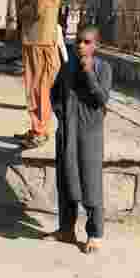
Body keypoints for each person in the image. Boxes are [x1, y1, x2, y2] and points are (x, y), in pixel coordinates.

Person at [48, 26, 112, 254]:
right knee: (66, 181)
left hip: (90, 135)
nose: (81, 46)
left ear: (96, 45)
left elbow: (102, 98)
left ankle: (94, 234)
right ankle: (66, 230)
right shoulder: (67, 67)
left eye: (86, 42)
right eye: (78, 42)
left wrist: (88, 74)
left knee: (90, 183)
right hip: (68, 132)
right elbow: (54, 93)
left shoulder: (103, 68)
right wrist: (61, 116)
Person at [16, 0, 64, 149]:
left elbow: (37, 10)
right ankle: (36, 128)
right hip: (35, 40)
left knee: (40, 88)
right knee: (34, 88)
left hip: (41, 42)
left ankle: (41, 131)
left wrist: (21, 8)